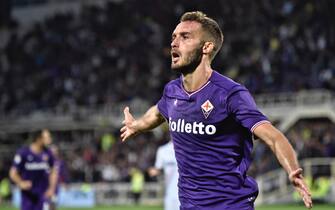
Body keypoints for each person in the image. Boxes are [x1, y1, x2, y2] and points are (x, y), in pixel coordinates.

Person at [120, 11, 312, 210]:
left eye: (185, 37)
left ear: (207, 47)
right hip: (188, 206)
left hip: (230, 205)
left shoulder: (230, 94)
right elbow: (158, 112)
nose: (174, 43)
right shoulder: (172, 91)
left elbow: (273, 137)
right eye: (174, 37)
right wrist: (137, 126)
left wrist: (292, 171)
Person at [9, 129, 57, 210]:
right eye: (47, 137)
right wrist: (21, 182)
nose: (50, 139)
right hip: (28, 195)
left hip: (43, 194)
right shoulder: (23, 153)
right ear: (39, 139)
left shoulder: (48, 153)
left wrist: (52, 188)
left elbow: (53, 172)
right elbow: (13, 173)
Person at [148, 140, 180, 210]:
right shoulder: (163, 150)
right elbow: (158, 168)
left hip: (185, 194)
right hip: (169, 194)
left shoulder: (187, 148)